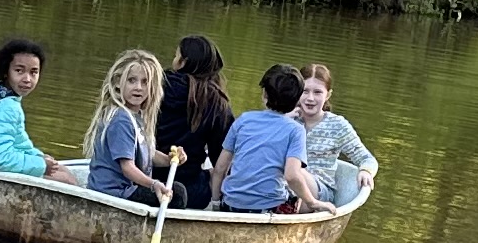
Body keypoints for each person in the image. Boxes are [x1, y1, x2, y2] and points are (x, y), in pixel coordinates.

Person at [0, 38, 83, 181]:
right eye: (19, 71)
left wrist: (38, 157)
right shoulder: (3, 108)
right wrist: (41, 165)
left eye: (34, 72)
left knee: (62, 170)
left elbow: (19, 142)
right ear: (5, 71)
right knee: (66, 180)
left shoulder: (5, 98)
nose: (27, 79)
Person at [218, 64, 322, 212]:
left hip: (230, 205)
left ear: (264, 94)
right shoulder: (296, 130)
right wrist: (312, 202)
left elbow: (220, 168)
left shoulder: (244, 119)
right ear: (297, 98)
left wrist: (215, 201)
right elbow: (292, 176)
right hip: (269, 208)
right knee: (296, 197)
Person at [82, 49, 171, 203]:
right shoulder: (121, 119)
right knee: (178, 195)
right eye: (131, 80)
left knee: (174, 191)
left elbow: (145, 150)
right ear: (118, 82)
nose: (138, 87)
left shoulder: (134, 116)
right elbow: (127, 167)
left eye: (145, 82)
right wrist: (153, 184)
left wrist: (169, 160)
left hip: (122, 190)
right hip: (113, 193)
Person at [152, 35, 229, 210]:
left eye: (176, 55)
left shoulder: (155, 85)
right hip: (190, 189)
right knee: (213, 174)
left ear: (183, 62)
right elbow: (221, 157)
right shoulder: (216, 101)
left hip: (144, 178)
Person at [290, 60, 378, 209]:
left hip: (320, 191)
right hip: (286, 187)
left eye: (317, 92)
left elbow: (367, 159)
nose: (310, 98)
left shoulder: (337, 125)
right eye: (305, 91)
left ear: (328, 95)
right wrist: (284, 120)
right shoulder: (288, 119)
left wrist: (365, 171)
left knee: (295, 171)